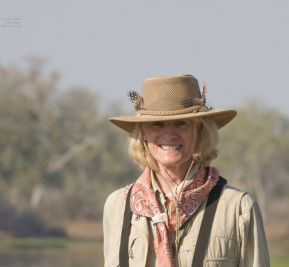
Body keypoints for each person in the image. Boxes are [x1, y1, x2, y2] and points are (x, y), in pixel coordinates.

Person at [103, 74, 270, 267]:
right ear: (143, 133)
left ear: (200, 131)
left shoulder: (239, 208)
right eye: (157, 124)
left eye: (181, 123)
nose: (169, 135)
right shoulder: (117, 206)